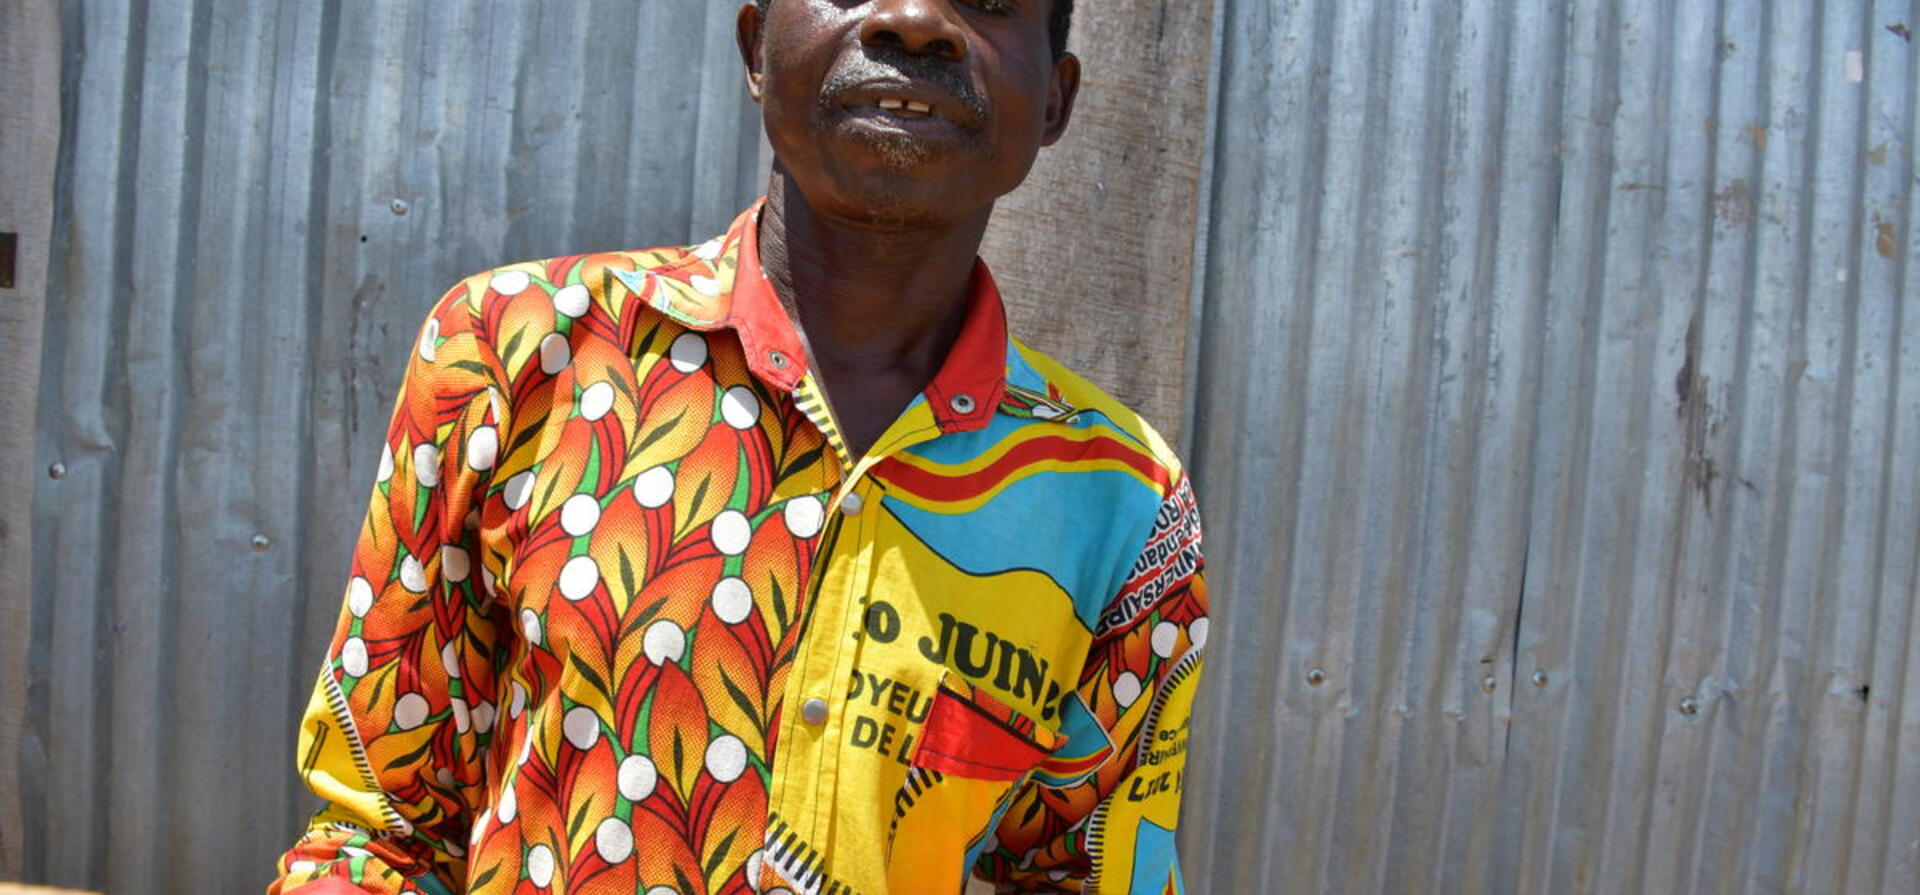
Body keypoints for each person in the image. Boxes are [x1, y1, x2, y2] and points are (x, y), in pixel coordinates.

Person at [270, 0, 1209, 892]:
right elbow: (380, 834)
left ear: (1054, 101)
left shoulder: (1123, 503)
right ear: (757, 46)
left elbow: (1086, 874)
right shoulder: (518, 350)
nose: (916, 20)